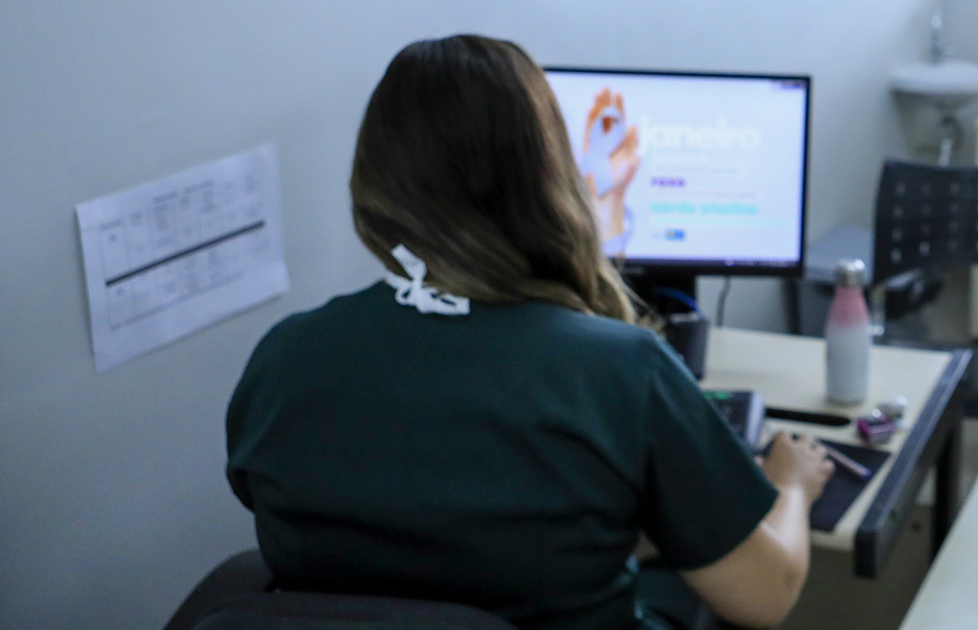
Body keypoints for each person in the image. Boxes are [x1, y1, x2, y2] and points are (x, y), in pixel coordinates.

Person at [225, 35, 833, 630]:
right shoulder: (621, 369)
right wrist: (790, 485)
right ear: (548, 178)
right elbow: (765, 596)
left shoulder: (285, 355)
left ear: (375, 182)